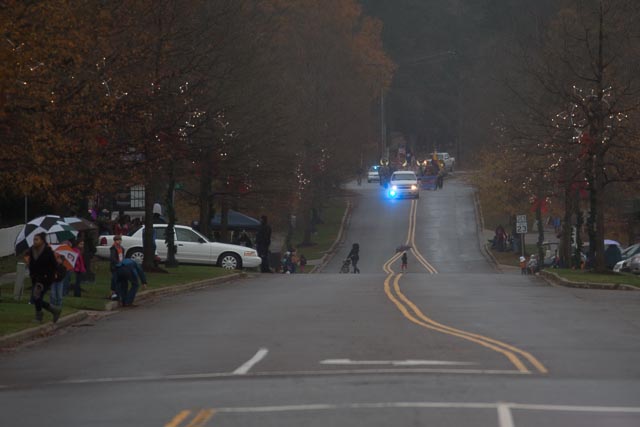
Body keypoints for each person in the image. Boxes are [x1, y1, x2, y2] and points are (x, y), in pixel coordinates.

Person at [25, 232, 61, 323]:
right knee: (37, 298)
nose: (35, 241)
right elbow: (32, 264)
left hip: (46, 278)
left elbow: (54, 265)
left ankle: (39, 316)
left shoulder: (48, 251)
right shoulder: (32, 250)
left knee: (36, 296)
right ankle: (54, 310)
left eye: (37, 239)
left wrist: (52, 274)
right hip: (36, 277)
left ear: (42, 240)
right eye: (34, 239)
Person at [109, 235, 125, 301]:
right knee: (115, 280)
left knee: (119, 280)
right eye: (118, 240)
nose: (119, 241)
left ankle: (118, 293)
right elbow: (112, 258)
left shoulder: (121, 248)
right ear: (115, 241)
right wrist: (117, 263)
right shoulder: (113, 248)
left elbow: (122, 256)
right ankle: (114, 293)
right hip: (115, 266)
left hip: (121, 265)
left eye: (120, 240)